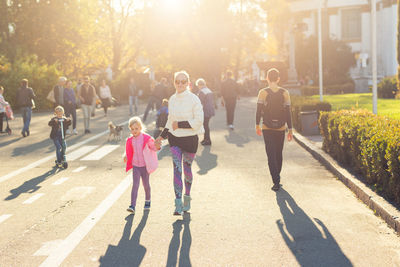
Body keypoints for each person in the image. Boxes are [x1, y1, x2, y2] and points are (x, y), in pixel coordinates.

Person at [155, 71, 204, 215]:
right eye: (177, 81)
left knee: (187, 171)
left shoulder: (194, 99)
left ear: (188, 83)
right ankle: (177, 204)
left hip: (190, 140)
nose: (180, 84)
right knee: (177, 169)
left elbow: (199, 121)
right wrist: (161, 136)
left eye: (183, 81)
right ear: (174, 82)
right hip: (175, 139)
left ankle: (187, 198)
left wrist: (180, 124)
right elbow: (171, 121)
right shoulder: (172, 99)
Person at [255, 68, 293, 191]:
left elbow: (258, 110)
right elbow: (288, 112)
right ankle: (277, 176)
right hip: (281, 127)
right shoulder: (285, 92)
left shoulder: (263, 92)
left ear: (267, 78)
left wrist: (257, 125)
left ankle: (275, 181)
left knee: (270, 154)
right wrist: (290, 129)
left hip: (267, 127)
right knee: (278, 153)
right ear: (278, 79)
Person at [124, 116, 160, 214]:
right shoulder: (130, 140)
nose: (134, 131)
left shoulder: (146, 138)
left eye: (136, 128)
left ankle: (148, 200)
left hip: (145, 166)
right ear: (130, 129)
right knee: (135, 185)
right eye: (132, 129)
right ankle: (132, 205)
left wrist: (157, 146)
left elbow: (153, 147)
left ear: (140, 127)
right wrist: (126, 156)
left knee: (146, 184)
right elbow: (128, 151)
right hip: (136, 166)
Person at [196, 78, 215, 146]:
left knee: (205, 125)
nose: (198, 87)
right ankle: (206, 139)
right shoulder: (208, 90)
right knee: (205, 125)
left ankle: (208, 140)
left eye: (198, 85)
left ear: (199, 85)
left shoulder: (202, 91)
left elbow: (199, 102)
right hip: (210, 109)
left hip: (205, 110)